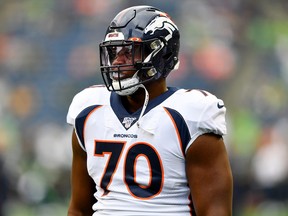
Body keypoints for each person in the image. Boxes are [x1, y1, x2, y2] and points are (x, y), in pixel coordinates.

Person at [66, 5, 233, 216]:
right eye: (114, 51)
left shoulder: (190, 115)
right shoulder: (89, 109)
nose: (118, 61)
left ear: (160, 54)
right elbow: (79, 209)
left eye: (129, 52)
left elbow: (215, 212)